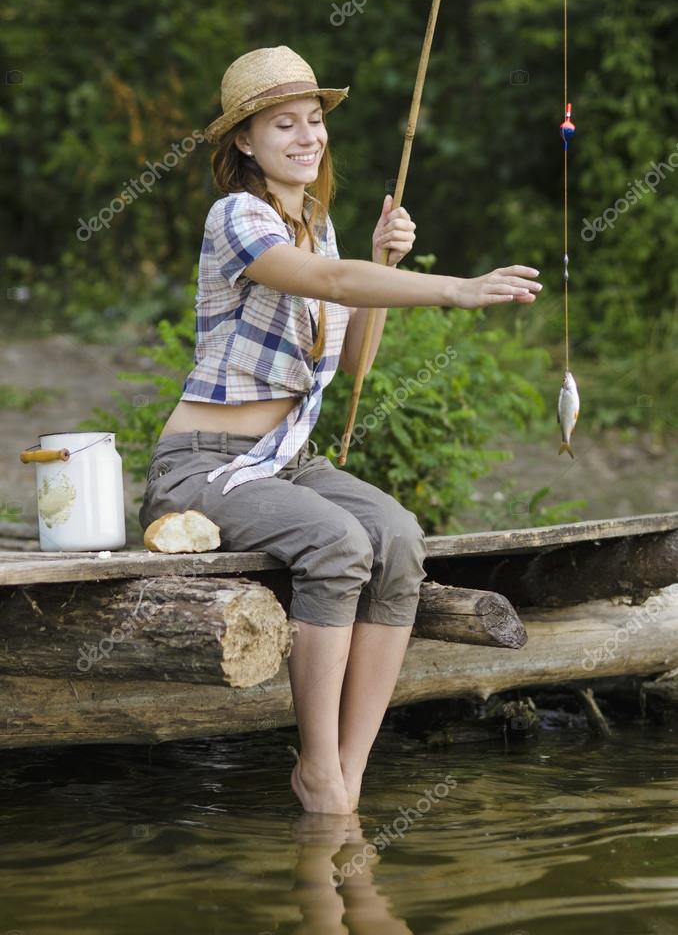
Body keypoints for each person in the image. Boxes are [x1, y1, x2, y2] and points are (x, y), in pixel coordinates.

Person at [139, 45, 543, 815]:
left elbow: (354, 361)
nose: (306, 137)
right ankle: (318, 762)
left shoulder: (318, 227)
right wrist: (453, 289)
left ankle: (347, 772)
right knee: (338, 543)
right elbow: (327, 282)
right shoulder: (239, 218)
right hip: (201, 471)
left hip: (286, 464)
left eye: (314, 121)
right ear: (244, 144)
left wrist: (384, 267)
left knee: (397, 536)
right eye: (283, 124)